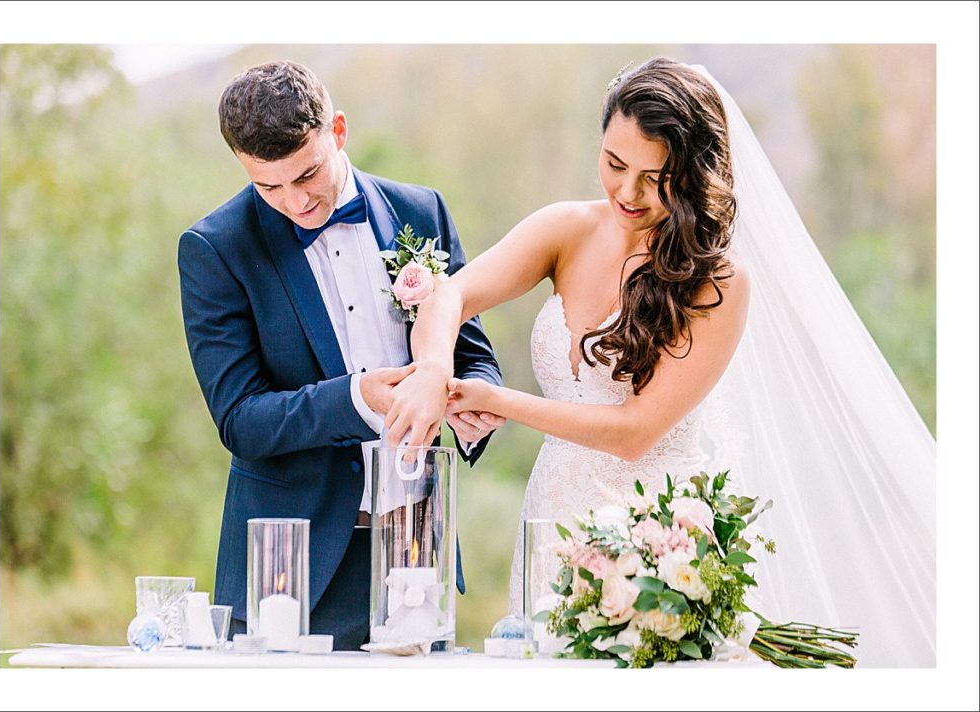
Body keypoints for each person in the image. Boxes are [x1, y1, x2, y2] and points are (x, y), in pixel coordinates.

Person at [388, 57, 935, 667]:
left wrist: (498, 401)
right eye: (615, 164)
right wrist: (435, 371)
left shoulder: (718, 282)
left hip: (655, 541)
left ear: (696, 175)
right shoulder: (566, 229)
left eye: (655, 178)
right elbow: (451, 294)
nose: (627, 191)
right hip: (549, 517)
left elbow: (634, 432)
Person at [177, 60, 503, 650]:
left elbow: (472, 351)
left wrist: (471, 402)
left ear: (339, 131)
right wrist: (357, 399)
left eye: (308, 174)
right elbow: (240, 419)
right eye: (268, 187)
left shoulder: (420, 211)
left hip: (415, 550)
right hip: (290, 564)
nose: (296, 202)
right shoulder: (215, 249)